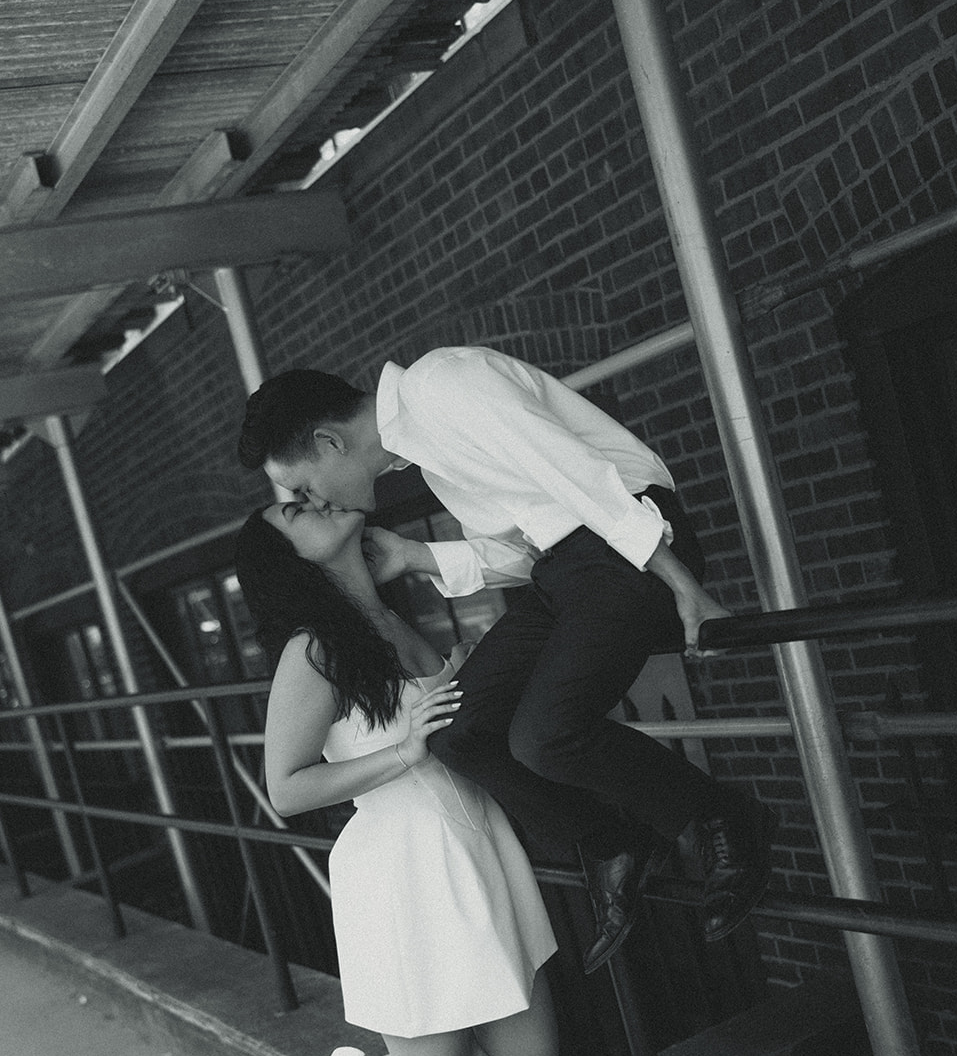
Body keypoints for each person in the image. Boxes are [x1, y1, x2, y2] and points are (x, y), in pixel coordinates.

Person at [237, 345, 776, 973]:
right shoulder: (427, 451)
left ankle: (723, 817)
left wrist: (684, 585)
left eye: (303, 486)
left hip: (630, 549)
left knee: (544, 736)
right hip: (568, 572)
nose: (317, 499)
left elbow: (578, 478)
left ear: (329, 442)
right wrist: (417, 557)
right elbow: (528, 547)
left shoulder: (443, 385)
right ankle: (612, 842)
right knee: (460, 733)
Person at [234, 499, 561, 1056]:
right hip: (404, 870)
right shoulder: (315, 649)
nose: (319, 500)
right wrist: (403, 750)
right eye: (295, 509)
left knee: (530, 1051)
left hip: (474, 844)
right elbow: (288, 789)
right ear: (288, 556)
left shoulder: (389, 611)